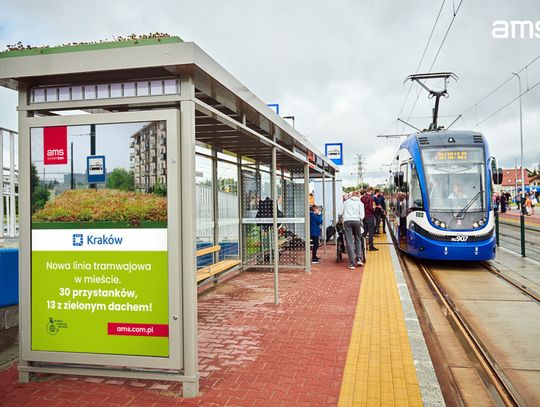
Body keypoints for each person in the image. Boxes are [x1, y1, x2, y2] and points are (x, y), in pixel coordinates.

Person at [340, 190, 365, 269]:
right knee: (358, 239)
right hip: (357, 221)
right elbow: (362, 216)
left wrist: (341, 218)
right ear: (358, 196)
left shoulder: (346, 202)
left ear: (352, 195)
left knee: (350, 242)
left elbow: (340, 213)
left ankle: (351, 263)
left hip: (347, 222)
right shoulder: (360, 203)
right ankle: (359, 259)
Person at [361, 186, 378, 251]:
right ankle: (371, 246)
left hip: (363, 216)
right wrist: (374, 209)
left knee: (364, 231)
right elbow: (371, 208)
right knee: (371, 232)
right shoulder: (370, 198)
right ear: (370, 191)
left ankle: (362, 245)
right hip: (370, 216)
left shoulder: (362, 198)